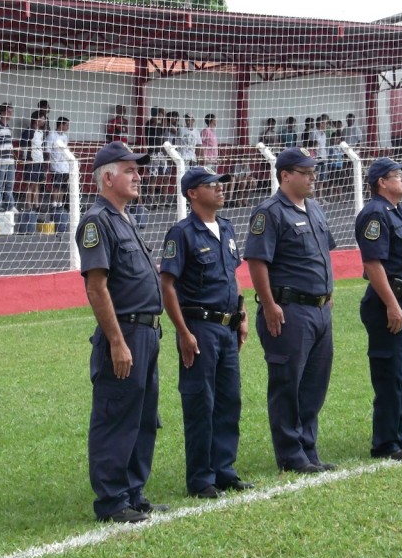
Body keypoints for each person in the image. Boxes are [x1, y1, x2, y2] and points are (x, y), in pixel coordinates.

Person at [76, 141, 167, 524]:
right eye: (130, 170)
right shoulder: (98, 221)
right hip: (125, 332)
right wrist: (116, 340)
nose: (138, 175)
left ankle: (133, 492)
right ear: (108, 177)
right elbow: (97, 287)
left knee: (143, 417)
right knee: (117, 416)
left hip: (147, 333)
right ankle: (112, 500)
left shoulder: (124, 218)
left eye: (138, 169)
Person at [160, 166, 254, 499]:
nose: (219, 189)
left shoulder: (226, 229)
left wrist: (241, 312)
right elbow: (167, 285)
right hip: (199, 327)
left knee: (230, 399)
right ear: (192, 194)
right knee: (201, 401)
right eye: (211, 185)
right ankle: (201, 478)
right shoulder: (182, 233)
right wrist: (183, 332)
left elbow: (234, 276)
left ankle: (224, 470)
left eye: (220, 184)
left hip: (227, 327)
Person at [244, 147, 337, 474]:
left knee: (314, 383)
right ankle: (290, 454)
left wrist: (329, 292)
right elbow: (257, 262)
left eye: (313, 171)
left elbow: (325, 252)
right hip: (289, 310)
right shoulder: (270, 212)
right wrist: (269, 305)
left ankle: (307, 448)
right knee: (287, 384)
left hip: (320, 310)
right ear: (285, 175)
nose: (313, 176)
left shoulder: (316, 209)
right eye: (305, 172)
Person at [354, 157, 402, 461]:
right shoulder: (375, 214)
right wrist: (392, 304)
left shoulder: (401, 214)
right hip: (390, 303)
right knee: (392, 373)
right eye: (397, 175)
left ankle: (401, 437)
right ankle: (385, 443)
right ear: (381, 182)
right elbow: (373, 263)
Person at [20, 111, 47, 211]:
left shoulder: (41, 132)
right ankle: (28, 205)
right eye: (42, 118)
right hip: (31, 161)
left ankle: (36, 205)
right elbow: (23, 146)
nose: (44, 121)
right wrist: (25, 159)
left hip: (40, 161)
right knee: (31, 183)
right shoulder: (28, 132)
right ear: (36, 120)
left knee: (38, 183)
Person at [47, 116, 70, 208]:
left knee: (63, 186)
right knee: (56, 186)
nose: (68, 127)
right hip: (56, 165)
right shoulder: (52, 135)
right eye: (66, 125)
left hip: (65, 166)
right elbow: (48, 150)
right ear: (61, 124)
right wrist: (49, 163)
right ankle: (54, 203)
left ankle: (60, 203)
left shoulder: (65, 136)